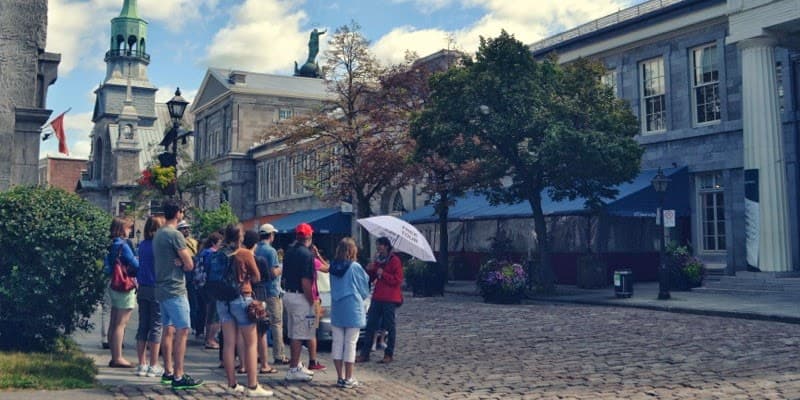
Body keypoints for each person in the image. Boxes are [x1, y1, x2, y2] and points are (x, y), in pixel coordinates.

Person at [217, 224, 272, 397]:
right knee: (250, 342)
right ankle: (253, 385)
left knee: (228, 343)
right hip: (241, 297)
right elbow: (257, 276)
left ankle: (231, 384)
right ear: (240, 237)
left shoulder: (219, 252)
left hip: (222, 300)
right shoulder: (244, 253)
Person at [153, 200, 203, 390]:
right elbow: (190, 264)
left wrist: (178, 261)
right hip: (175, 287)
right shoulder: (175, 235)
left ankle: (168, 370)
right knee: (183, 330)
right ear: (178, 213)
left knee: (168, 328)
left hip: (161, 287)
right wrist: (182, 262)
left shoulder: (159, 233)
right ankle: (179, 374)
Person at [329, 237, 370, 389]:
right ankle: (349, 377)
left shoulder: (333, 267)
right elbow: (364, 289)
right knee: (350, 343)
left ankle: (339, 377)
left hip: (337, 307)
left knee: (337, 343)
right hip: (352, 307)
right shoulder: (354, 267)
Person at [357, 237, 403, 364]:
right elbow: (371, 279)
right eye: (377, 246)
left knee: (389, 326)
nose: (378, 248)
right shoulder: (378, 261)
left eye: (380, 246)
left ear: (386, 246)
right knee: (371, 325)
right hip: (377, 297)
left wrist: (383, 274)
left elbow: (397, 280)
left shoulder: (395, 261)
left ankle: (389, 354)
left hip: (389, 298)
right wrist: (370, 270)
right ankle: (365, 354)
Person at [282, 222, 318, 382]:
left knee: (293, 331)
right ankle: (294, 368)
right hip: (300, 296)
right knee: (299, 333)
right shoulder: (307, 255)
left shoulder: (289, 251)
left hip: (288, 294)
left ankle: (296, 364)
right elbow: (306, 281)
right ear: (309, 237)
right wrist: (312, 301)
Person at [104, 217, 139, 368]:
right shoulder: (123, 245)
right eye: (128, 227)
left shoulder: (111, 244)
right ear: (121, 228)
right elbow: (135, 265)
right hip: (124, 285)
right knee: (121, 323)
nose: (130, 230)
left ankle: (114, 355)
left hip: (113, 283)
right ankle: (118, 357)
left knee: (113, 321)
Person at [243, 230, 278, 375]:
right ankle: (264, 364)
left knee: (245, 330)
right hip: (259, 293)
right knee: (261, 331)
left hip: (244, 294)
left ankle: (244, 364)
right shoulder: (259, 259)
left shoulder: (239, 257)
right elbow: (268, 276)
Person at [134, 215, 165, 378]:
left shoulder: (142, 245)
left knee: (143, 325)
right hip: (156, 287)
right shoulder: (159, 246)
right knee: (156, 326)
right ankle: (154, 364)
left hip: (143, 287)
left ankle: (141, 363)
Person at [254, 223, 289, 365]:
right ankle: (279, 354)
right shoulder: (271, 251)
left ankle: (257, 353)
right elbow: (274, 273)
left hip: (258, 290)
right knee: (276, 324)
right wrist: (282, 266)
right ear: (271, 235)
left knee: (259, 324)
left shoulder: (255, 249)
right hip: (272, 290)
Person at [195, 232, 223, 350]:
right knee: (215, 313)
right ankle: (210, 339)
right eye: (220, 242)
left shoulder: (203, 252)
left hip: (202, 285)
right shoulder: (213, 253)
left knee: (209, 312)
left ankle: (208, 338)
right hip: (212, 285)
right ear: (214, 243)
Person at [178, 220, 202, 339]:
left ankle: (194, 324)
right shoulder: (178, 241)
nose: (186, 230)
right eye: (184, 228)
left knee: (194, 299)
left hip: (193, 270)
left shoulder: (193, 241)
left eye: (187, 228)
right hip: (183, 269)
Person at [306, 243, 329, 371]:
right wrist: (318, 255)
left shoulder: (299, 259)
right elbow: (328, 268)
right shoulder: (313, 261)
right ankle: (313, 360)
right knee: (312, 331)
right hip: (313, 297)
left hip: (300, 296)